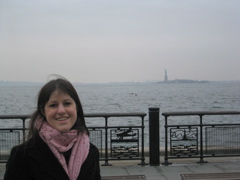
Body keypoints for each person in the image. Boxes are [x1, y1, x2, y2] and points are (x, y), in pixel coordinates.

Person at [4, 77, 101, 180]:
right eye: (53, 105)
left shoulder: (91, 152)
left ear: (76, 107)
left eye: (67, 103)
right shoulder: (22, 155)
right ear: (42, 110)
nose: (61, 110)